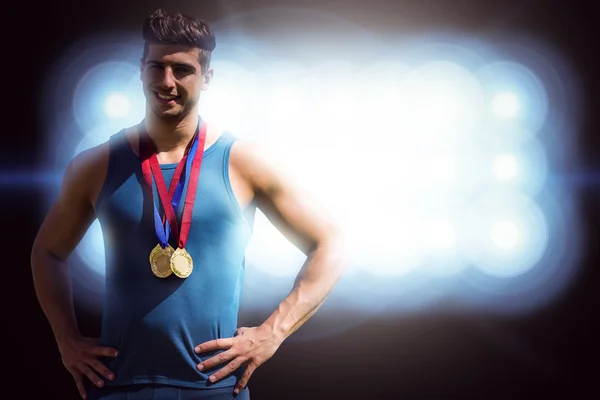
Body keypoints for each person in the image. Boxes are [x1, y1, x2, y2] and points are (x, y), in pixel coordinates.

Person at [31, 8, 346, 400]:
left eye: (182, 70)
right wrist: (66, 339)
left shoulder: (243, 163)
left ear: (207, 78)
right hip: (119, 388)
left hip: (214, 389)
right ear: (140, 69)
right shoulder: (96, 165)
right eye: (156, 67)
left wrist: (273, 332)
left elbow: (330, 244)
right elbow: (46, 252)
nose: (167, 81)